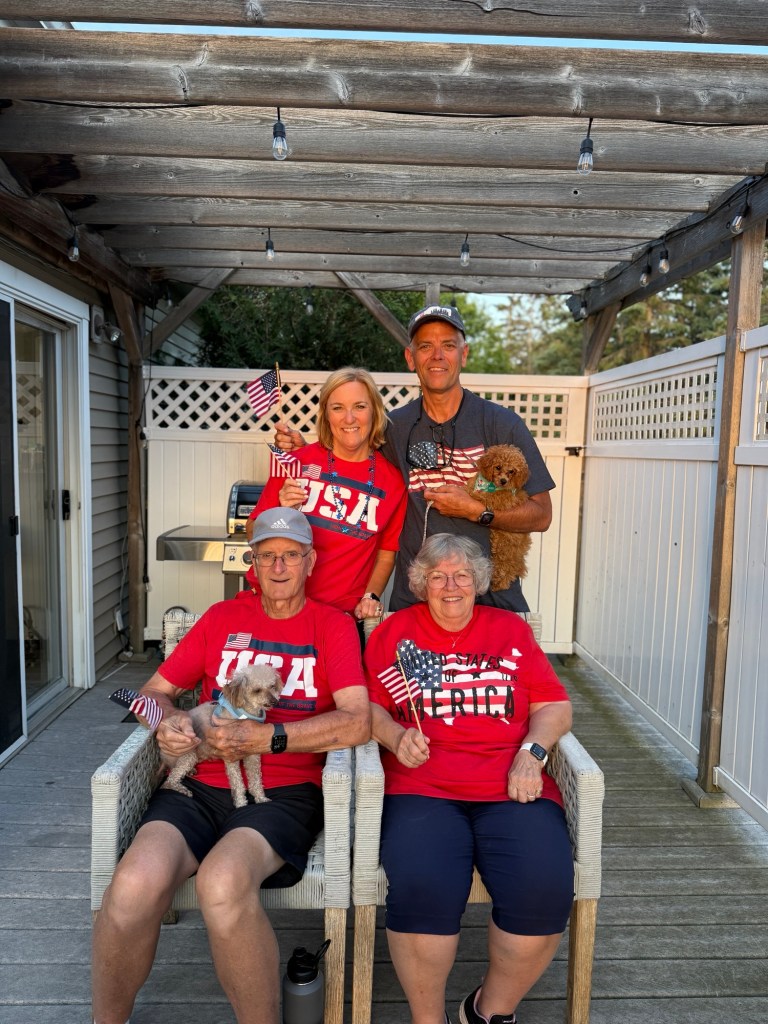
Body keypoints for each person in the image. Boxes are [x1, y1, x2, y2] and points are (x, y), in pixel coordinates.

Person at [92, 507, 371, 1024]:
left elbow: (357, 721)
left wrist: (269, 737)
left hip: (280, 794)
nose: (280, 567)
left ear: (310, 561)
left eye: (291, 555)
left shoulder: (332, 625)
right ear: (252, 563)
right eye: (268, 556)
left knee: (220, 883)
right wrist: (169, 723)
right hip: (197, 785)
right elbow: (152, 694)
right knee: (130, 887)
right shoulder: (221, 618)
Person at [364, 534, 574, 1024]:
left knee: (543, 887)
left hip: (512, 785)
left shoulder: (510, 630)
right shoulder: (393, 633)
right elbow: (367, 709)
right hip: (423, 787)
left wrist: (532, 754)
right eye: (438, 576)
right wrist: (395, 735)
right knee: (423, 886)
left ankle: (487, 1012)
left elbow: (554, 706)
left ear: (478, 582)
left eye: (461, 575)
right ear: (421, 584)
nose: (450, 586)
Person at [274, 306, 554, 616]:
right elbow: (350, 457)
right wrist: (308, 451)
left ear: (464, 354)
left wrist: (478, 511)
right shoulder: (395, 427)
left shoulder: (501, 424)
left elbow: (542, 515)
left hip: (491, 599)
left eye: (448, 345)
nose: (437, 356)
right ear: (410, 358)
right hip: (416, 603)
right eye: (426, 346)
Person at [247, 366, 407, 623]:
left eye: (359, 406)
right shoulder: (295, 463)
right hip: (273, 607)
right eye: (338, 408)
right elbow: (252, 532)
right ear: (326, 415)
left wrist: (371, 596)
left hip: (337, 618)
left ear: (375, 412)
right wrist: (281, 512)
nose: (349, 418)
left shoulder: (394, 481)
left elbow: (386, 553)